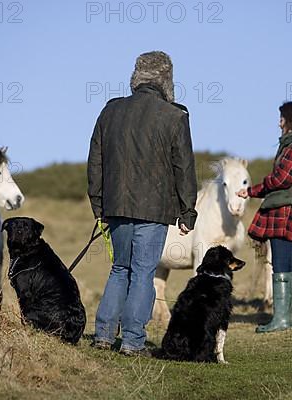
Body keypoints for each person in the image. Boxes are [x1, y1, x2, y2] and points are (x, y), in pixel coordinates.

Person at [87, 51, 197, 355]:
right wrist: (188, 211)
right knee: (143, 272)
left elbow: (95, 162)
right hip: (154, 210)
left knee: (119, 268)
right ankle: (134, 342)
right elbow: (184, 168)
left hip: (115, 207)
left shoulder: (110, 111)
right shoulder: (175, 116)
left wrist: (99, 207)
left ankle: (104, 336)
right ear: (167, 79)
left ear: (137, 76)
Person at [237, 101, 292, 333]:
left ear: (289, 120)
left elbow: (281, 179)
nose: (279, 123)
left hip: (285, 210)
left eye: (281, 118)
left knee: (280, 264)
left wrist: (251, 191)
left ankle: (281, 319)